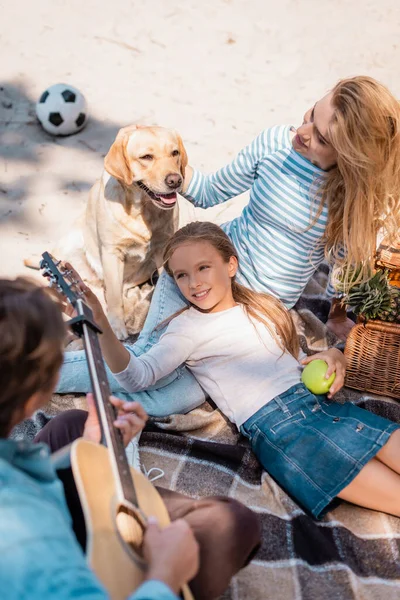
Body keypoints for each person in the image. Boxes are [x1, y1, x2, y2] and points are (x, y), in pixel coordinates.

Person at [56, 75, 400, 417]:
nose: (303, 131)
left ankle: (99, 413)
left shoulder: (350, 201)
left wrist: (339, 316)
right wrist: (163, 163)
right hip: (204, 269)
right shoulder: (276, 143)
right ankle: (31, 368)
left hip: (252, 312)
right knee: (143, 366)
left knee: (176, 399)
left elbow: (345, 267)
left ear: (351, 158)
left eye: (321, 138)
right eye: (311, 114)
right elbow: (209, 192)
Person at [66, 221, 400, 519]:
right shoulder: (187, 328)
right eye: (181, 275)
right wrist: (101, 326)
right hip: (286, 432)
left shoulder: (263, 307)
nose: (194, 283)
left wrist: (333, 357)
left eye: (203, 268)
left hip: (322, 406)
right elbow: (136, 375)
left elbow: (301, 362)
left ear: (230, 265)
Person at [0, 277, 260, 600]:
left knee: (72, 424)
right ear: (34, 396)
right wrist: (165, 573)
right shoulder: (24, 539)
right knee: (232, 523)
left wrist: (90, 448)